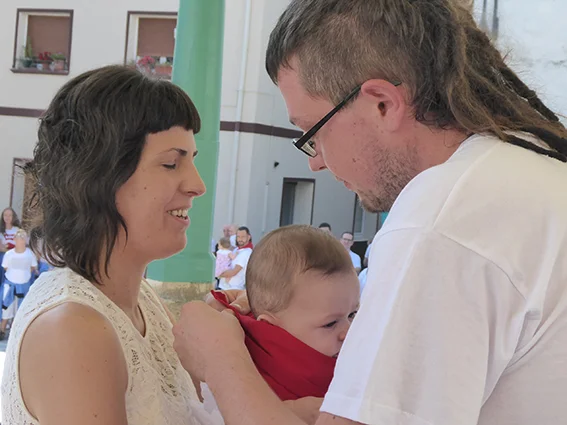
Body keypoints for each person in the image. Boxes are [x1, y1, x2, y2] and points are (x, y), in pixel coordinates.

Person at [173, 1, 567, 425]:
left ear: (383, 104)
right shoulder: (526, 171)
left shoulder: (440, 220)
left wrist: (221, 358)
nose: (316, 161)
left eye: (312, 132)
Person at [0, 65, 217, 425]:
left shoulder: (144, 303)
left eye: (192, 162)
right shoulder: (74, 329)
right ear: (99, 176)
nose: (197, 185)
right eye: (170, 163)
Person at [206, 225, 358, 405]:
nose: (349, 332)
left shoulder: (348, 361)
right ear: (270, 327)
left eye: (353, 314)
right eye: (330, 323)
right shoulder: (247, 374)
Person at [0, 229, 37, 340]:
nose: (20, 239)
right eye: (18, 237)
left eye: (23, 237)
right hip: (10, 285)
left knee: (21, 310)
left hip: (24, 285)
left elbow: (33, 267)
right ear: (14, 239)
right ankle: (2, 330)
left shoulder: (30, 254)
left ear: (25, 240)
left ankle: (16, 333)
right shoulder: (9, 254)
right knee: (7, 309)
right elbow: (5, 267)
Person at [0, 207, 22, 284]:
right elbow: (1, 248)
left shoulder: (17, 230)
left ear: (13, 217)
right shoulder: (0, 230)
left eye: (10, 215)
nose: (7, 217)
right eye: (5, 215)